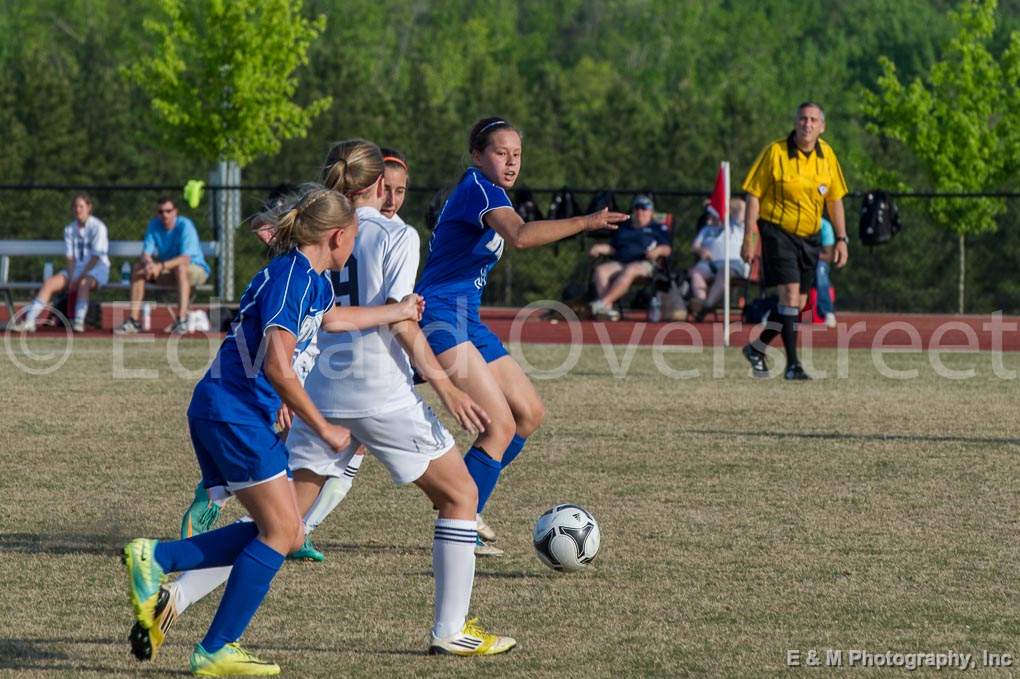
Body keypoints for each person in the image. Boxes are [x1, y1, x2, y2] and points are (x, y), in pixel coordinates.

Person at [134, 140, 515, 661]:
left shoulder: (315, 234)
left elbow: (330, 318)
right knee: (461, 496)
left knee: (285, 524)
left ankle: (175, 594)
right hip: (377, 391)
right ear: (379, 186)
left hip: (318, 388)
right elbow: (402, 319)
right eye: (392, 185)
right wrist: (446, 386)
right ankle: (450, 630)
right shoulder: (396, 234)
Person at [121, 185, 363, 676]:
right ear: (338, 236)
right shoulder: (293, 277)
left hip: (234, 409)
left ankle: (157, 558)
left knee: (286, 532)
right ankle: (215, 648)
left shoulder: (311, 280)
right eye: (355, 236)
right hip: (232, 412)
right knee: (282, 532)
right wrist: (324, 427)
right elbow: (277, 362)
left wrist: (401, 311)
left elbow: (317, 328)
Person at [416, 116, 627, 554]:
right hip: (440, 316)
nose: (511, 162)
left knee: (528, 414)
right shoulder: (479, 188)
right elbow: (522, 236)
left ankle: (462, 505)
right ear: (477, 155)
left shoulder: (492, 193)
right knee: (499, 424)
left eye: (517, 154)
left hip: (466, 318)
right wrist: (586, 222)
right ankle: (460, 520)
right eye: (500, 152)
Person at [740, 102, 849, 379]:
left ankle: (757, 347)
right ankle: (792, 365)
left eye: (813, 120)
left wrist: (841, 238)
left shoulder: (827, 157)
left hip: (810, 236)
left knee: (798, 303)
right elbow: (753, 195)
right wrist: (749, 238)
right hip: (778, 231)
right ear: (795, 122)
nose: (807, 124)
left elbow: (834, 199)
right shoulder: (775, 152)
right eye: (802, 119)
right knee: (788, 295)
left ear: (822, 126)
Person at [12, 193, 109, 333]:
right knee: (49, 283)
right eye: (75, 206)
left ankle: (79, 322)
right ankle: (30, 321)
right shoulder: (69, 229)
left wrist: (79, 277)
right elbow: (70, 258)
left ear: (89, 207)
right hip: (76, 270)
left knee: (83, 283)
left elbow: (96, 258)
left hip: (97, 269)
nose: (78, 210)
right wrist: (71, 277)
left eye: (81, 206)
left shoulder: (98, 227)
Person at [116, 196, 210, 335]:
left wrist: (159, 266)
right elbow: (146, 253)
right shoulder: (153, 225)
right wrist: (148, 264)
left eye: (168, 211)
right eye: (161, 211)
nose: (164, 214)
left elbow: (185, 258)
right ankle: (133, 321)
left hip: (195, 270)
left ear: (175, 212)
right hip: (168, 271)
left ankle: (182, 320)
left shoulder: (185, 225)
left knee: (180, 268)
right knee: (138, 269)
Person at [588, 194, 672, 321]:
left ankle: (602, 303)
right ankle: (607, 309)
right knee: (601, 270)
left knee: (630, 270)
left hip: (645, 264)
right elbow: (613, 248)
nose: (640, 212)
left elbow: (667, 249)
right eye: (637, 208)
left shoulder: (658, 228)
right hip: (621, 262)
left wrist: (658, 250)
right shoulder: (624, 228)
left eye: (644, 209)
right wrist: (599, 248)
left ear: (651, 211)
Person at [688, 197, 749, 321]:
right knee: (696, 272)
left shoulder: (736, 225)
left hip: (734, 264)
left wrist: (721, 202)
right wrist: (701, 251)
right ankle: (701, 302)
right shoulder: (706, 229)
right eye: (710, 212)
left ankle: (707, 305)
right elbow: (694, 247)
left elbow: (742, 206)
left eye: (714, 211)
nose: (712, 215)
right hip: (711, 263)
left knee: (724, 272)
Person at [815, 216, 837, 328]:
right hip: (798, 262)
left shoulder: (825, 226)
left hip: (817, 263)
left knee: (820, 271)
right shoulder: (795, 221)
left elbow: (828, 256)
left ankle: (828, 312)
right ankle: (774, 312)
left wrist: (810, 255)